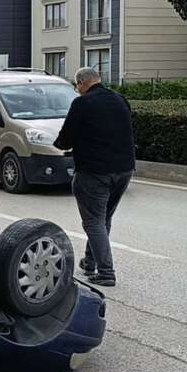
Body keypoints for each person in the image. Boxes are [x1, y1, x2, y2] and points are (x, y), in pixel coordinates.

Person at [53, 67, 134, 287]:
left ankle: (106, 272)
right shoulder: (120, 99)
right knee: (103, 218)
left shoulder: (82, 103)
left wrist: (59, 145)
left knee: (93, 221)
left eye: (77, 87)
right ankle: (90, 262)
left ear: (81, 84)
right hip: (124, 170)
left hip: (94, 172)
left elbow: (66, 138)